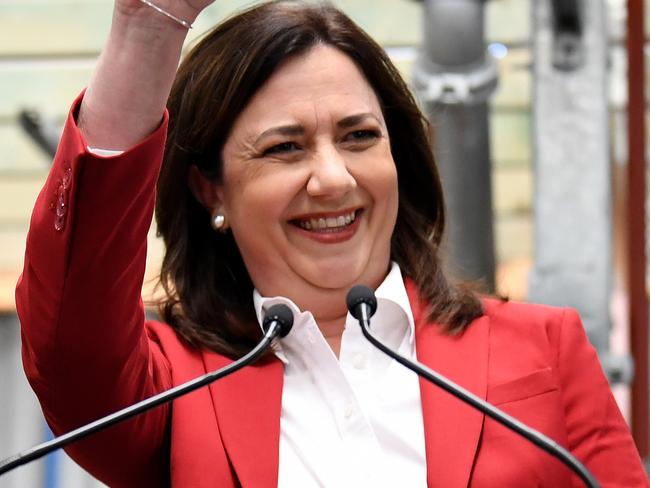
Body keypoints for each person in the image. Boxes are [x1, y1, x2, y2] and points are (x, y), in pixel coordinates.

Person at [16, 0, 647, 486]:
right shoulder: (170, 388)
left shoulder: (544, 346)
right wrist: (148, 26)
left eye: (359, 137)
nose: (334, 178)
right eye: (284, 147)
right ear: (211, 191)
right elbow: (72, 335)